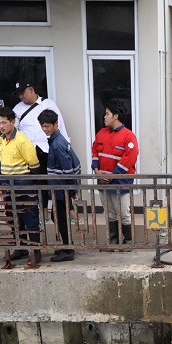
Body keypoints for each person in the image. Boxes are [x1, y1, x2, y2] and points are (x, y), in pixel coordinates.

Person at [0, 105, 43, 266]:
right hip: (8, 187)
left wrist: (32, 186)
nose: (1, 126)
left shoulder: (22, 140)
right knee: (14, 219)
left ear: (12, 122)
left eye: (4, 122)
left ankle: (35, 251)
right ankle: (20, 248)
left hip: (24, 188)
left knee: (30, 220)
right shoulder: (1, 139)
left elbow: (34, 165)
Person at [12, 82, 67, 211]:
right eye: (19, 94)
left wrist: (65, 147)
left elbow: (61, 126)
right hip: (30, 154)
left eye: (23, 93)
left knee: (55, 181)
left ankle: (59, 211)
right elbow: (14, 131)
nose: (21, 97)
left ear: (31, 90)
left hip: (50, 150)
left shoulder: (48, 104)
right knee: (38, 183)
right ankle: (43, 212)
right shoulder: (17, 109)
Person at [91, 100, 138, 246]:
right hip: (104, 181)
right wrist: (97, 170)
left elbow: (129, 158)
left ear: (115, 116)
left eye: (107, 114)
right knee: (110, 214)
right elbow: (95, 152)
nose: (104, 117)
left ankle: (128, 242)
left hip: (121, 182)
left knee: (124, 214)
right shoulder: (101, 133)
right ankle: (113, 242)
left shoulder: (128, 136)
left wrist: (112, 175)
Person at [39, 108, 81, 262]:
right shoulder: (57, 140)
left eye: (47, 126)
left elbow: (68, 168)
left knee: (60, 217)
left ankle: (68, 249)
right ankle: (65, 245)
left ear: (56, 124)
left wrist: (71, 190)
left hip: (61, 188)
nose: (45, 129)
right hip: (60, 188)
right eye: (42, 126)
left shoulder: (57, 144)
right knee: (57, 216)